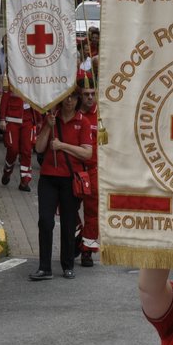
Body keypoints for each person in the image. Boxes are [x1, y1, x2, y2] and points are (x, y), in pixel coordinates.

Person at [30, 85, 92, 281]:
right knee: (45, 221)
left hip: (70, 179)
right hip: (48, 177)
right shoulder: (51, 119)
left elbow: (87, 153)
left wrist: (62, 146)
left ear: (77, 100)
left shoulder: (83, 122)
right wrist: (48, 126)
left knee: (68, 223)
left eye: (73, 98)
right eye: (66, 97)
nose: (69, 101)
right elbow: (39, 148)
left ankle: (67, 265)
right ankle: (44, 267)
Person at [75, 84, 101, 267]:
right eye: (86, 94)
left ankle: (87, 251)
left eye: (93, 94)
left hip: (93, 171)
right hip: (74, 169)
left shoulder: (102, 116)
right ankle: (78, 236)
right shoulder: (72, 114)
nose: (90, 98)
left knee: (92, 211)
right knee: (66, 207)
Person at [0, 80, 38, 191]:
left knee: (26, 150)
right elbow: (5, 98)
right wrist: (2, 118)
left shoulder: (34, 78)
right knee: (12, 149)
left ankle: (25, 181)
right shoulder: (12, 77)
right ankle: (7, 171)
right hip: (12, 118)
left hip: (28, 119)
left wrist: (39, 120)